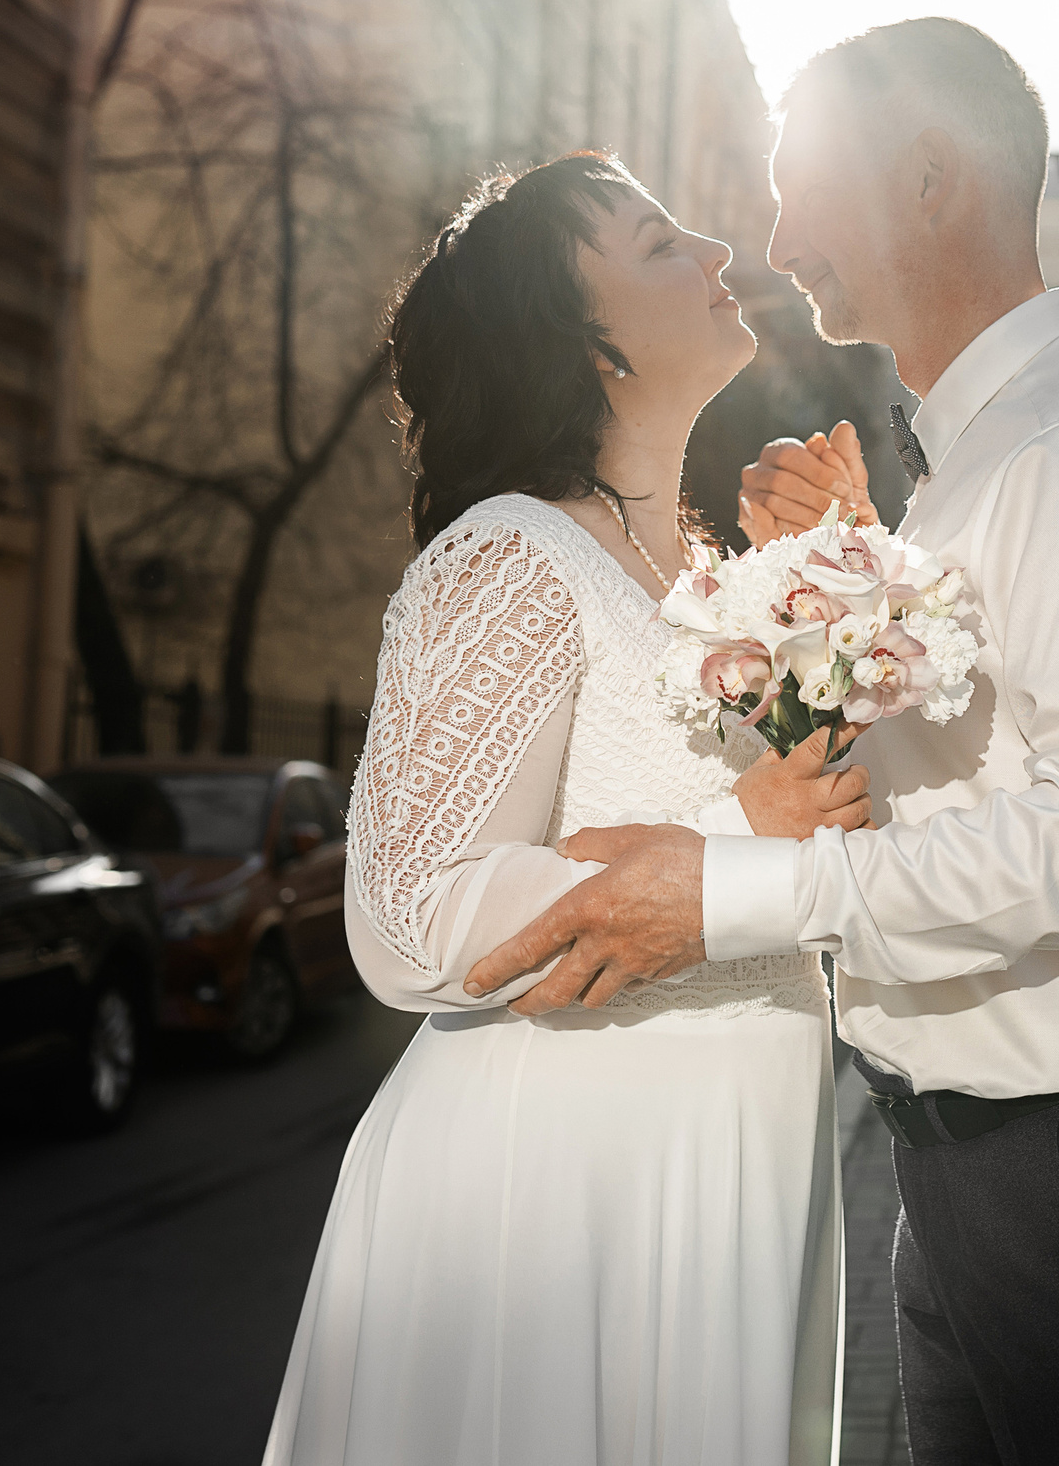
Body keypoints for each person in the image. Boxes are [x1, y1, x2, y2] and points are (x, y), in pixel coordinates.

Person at [468, 21, 1059, 1463]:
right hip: (985, 1177)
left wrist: (727, 899)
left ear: (929, 184)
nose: (774, 236)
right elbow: (977, 771)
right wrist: (852, 572)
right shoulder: (984, 457)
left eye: (805, 188)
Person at [261, 153, 868, 1466]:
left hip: (726, 1181)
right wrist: (734, 846)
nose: (715, 250)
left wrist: (840, 570)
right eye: (660, 245)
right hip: (556, 1201)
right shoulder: (508, 553)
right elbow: (408, 921)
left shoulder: (706, 573)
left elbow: (837, 818)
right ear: (580, 341)